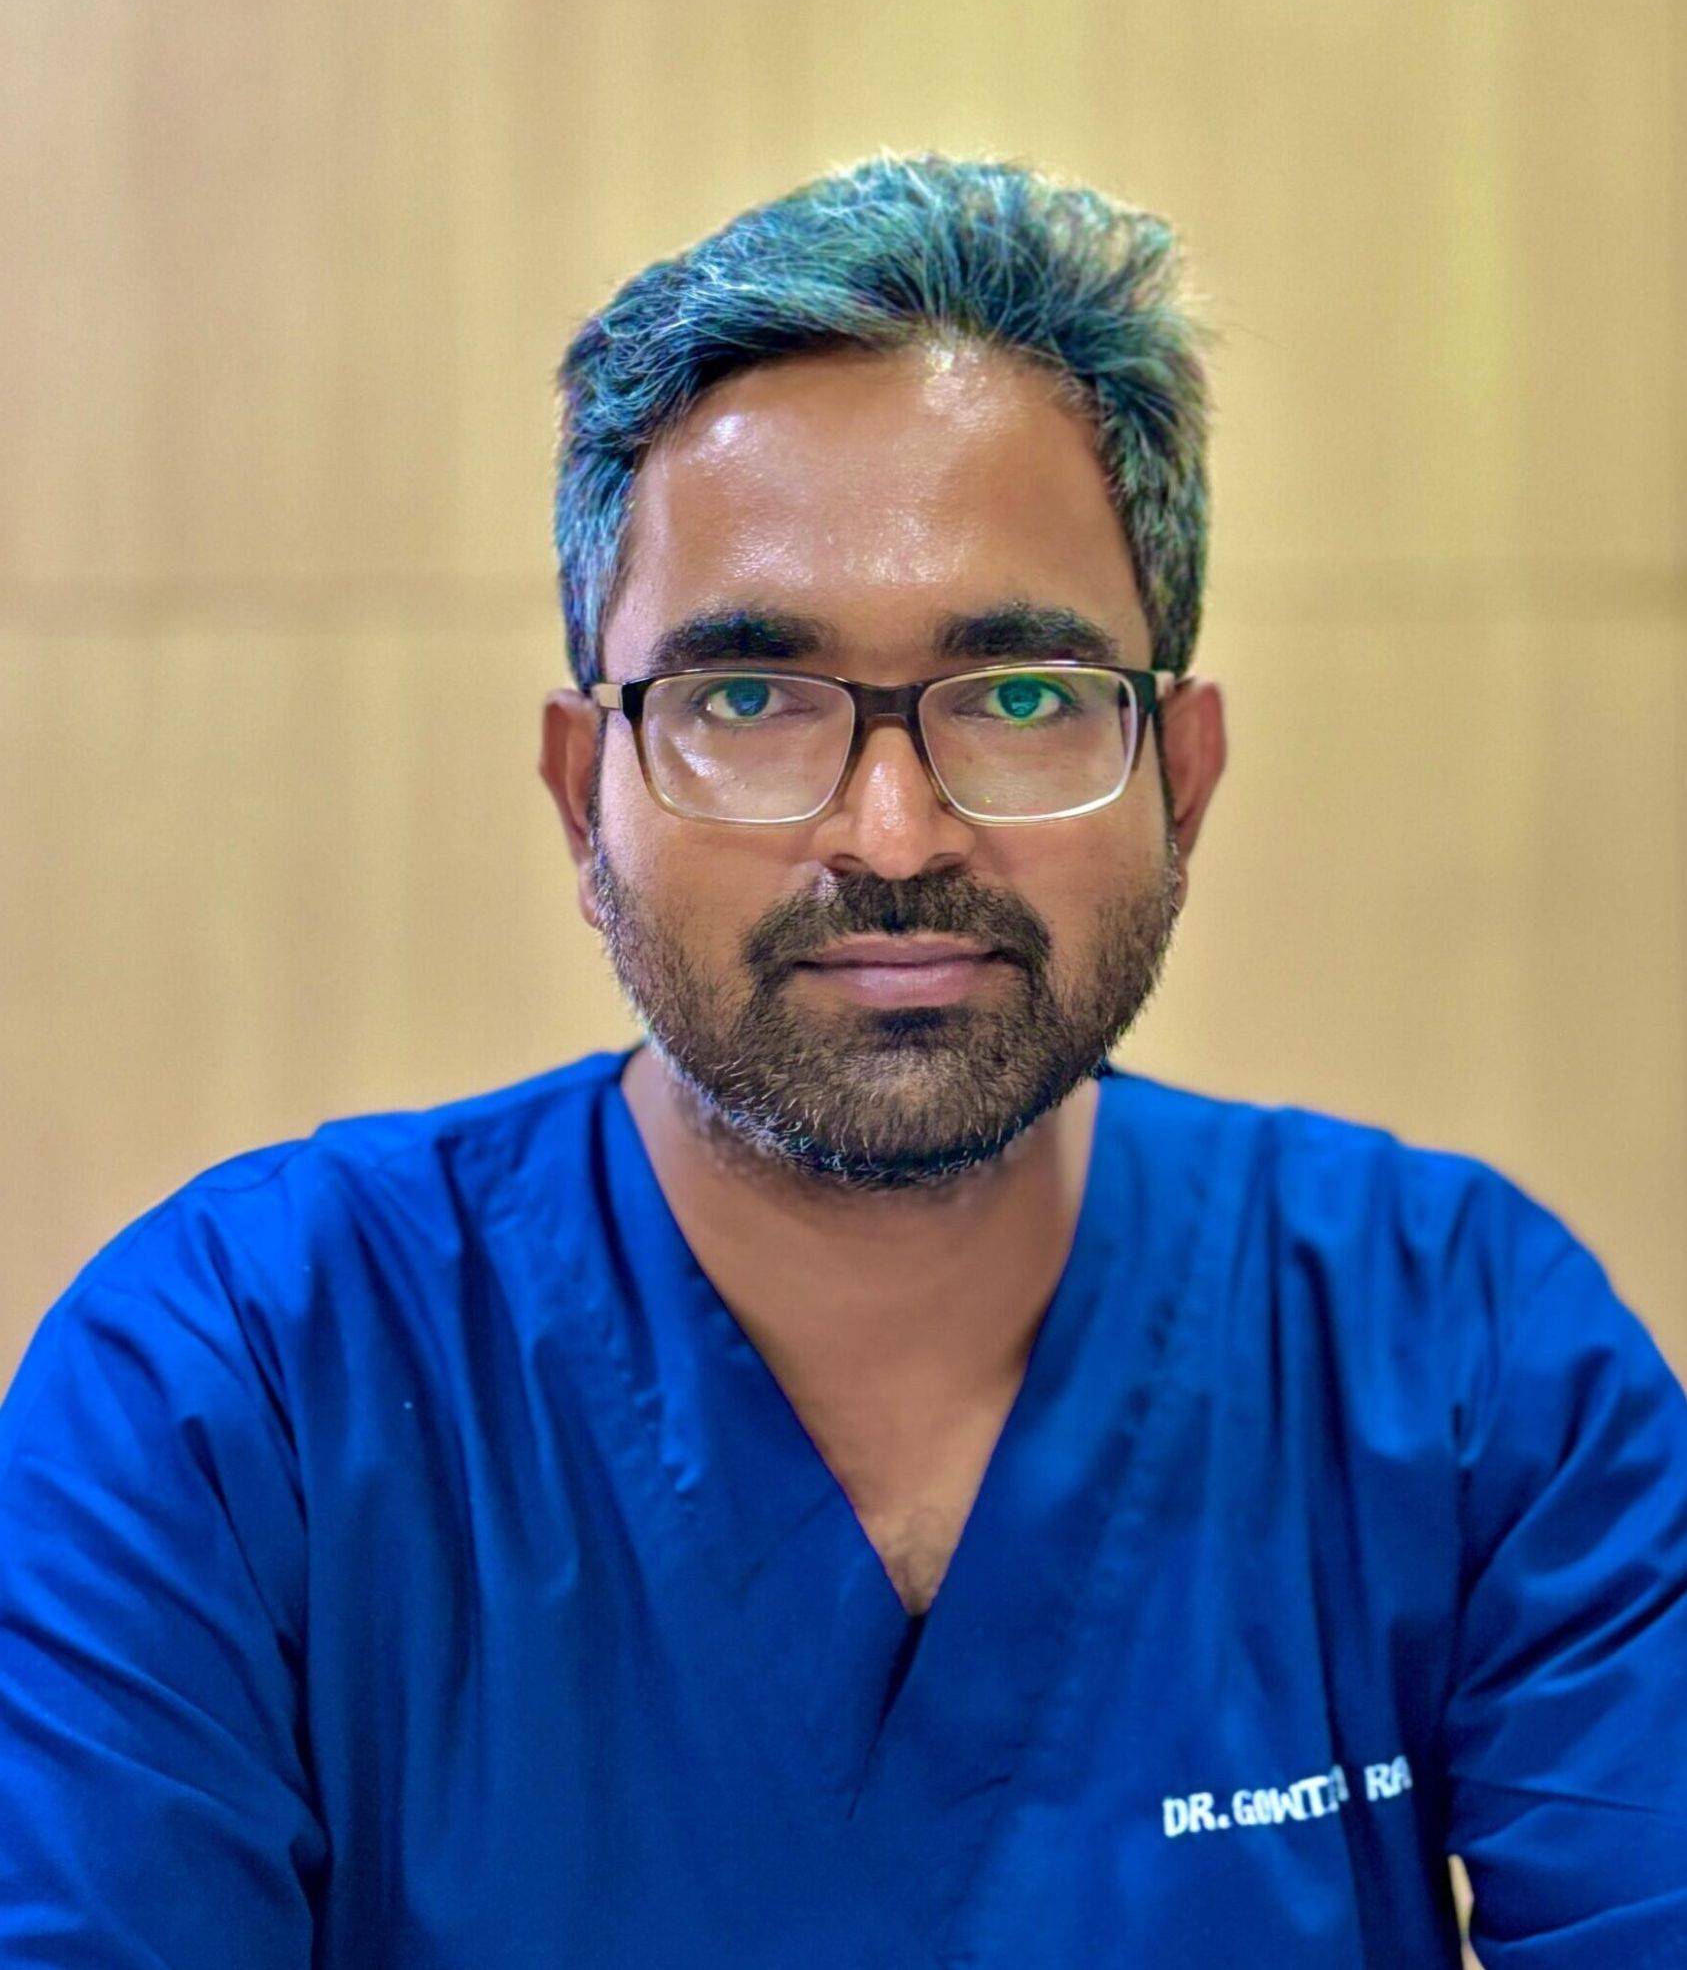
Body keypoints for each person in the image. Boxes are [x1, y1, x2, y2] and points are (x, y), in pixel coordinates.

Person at [1, 154, 1683, 1969]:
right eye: (744, 698)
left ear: (1183, 782)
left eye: (1024, 697)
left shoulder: (1458, 1354)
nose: (891, 834)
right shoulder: (233, 1388)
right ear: (582, 797)